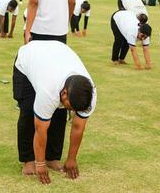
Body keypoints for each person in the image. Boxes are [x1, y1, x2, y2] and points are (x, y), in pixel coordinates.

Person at [13, 40, 97, 184]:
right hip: (28, 60)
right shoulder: (48, 90)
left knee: (59, 115)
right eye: (71, 107)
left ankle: (52, 157)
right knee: (28, 113)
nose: (72, 111)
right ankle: (28, 160)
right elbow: (41, 129)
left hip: (58, 53)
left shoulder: (90, 94)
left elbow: (78, 127)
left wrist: (71, 159)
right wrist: (40, 164)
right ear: (64, 93)